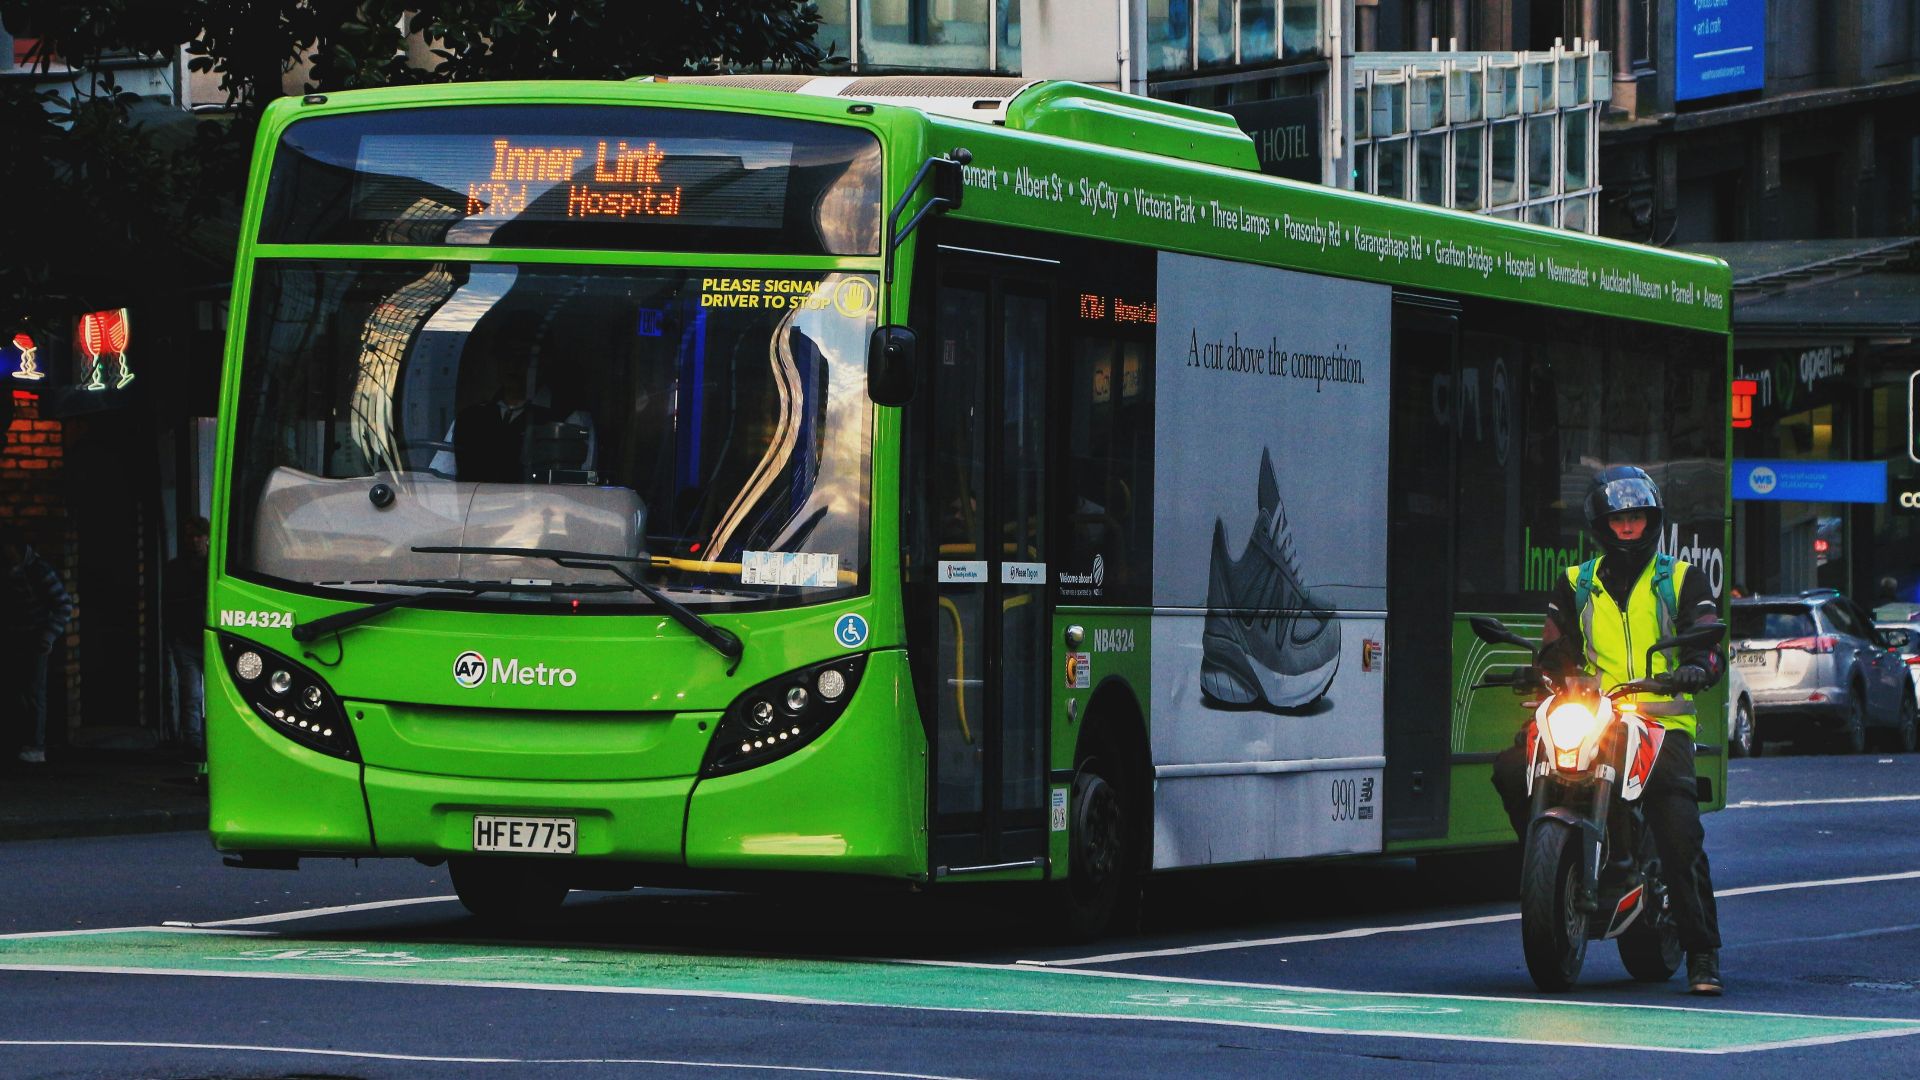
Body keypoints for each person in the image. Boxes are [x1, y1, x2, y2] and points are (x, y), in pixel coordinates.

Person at [1491, 466, 1727, 995]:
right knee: (1511, 767)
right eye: (1618, 519)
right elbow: (1557, 645)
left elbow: (1706, 641)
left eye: (1636, 517)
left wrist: (1697, 666)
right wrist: (1541, 667)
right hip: (1594, 711)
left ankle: (1702, 952)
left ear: (1652, 520)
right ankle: (1547, 869)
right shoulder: (1577, 582)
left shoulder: (1681, 578)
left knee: (1677, 828)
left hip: (1660, 721)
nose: (1628, 527)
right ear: (1601, 524)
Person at [2, 525, 73, 765]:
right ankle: (20, 742)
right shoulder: (8, 569)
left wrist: (48, 636)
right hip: (14, 638)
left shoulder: (39, 570)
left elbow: (63, 605)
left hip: (35, 639)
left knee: (33, 694)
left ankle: (35, 745)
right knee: (15, 692)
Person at [162, 516, 211, 761]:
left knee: (194, 694)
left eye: (198, 536)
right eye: (191, 536)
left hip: (198, 637)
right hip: (194, 637)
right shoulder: (211, 567)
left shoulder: (179, 568)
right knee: (193, 694)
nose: (195, 541)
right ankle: (195, 743)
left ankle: (195, 741)